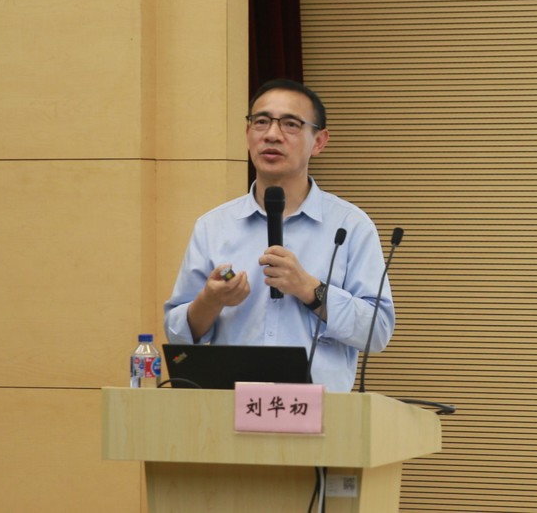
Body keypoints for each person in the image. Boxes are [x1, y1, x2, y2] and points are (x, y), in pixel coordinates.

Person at [163, 79, 395, 392]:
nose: (272, 134)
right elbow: (177, 336)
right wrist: (211, 300)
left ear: (319, 141)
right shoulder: (213, 226)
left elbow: (378, 332)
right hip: (230, 409)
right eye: (261, 121)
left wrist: (311, 290)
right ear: (247, 134)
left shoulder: (351, 225)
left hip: (320, 413)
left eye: (290, 124)